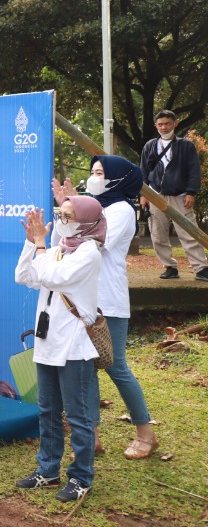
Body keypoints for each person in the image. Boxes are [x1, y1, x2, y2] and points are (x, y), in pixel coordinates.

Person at [59, 156, 158, 460]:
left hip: (109, 299)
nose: (94, 177)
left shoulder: (121, 210)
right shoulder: (96, 207)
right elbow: (72, 238)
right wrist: (68, 210)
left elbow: (93, 241)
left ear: (119, 178)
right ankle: (91, 437)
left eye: (100, 173)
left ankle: (146, 433)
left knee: (116, 367)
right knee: (86, 366)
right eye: (92, 172)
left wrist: (70, 214)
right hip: (83, 297)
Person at [13, 198, 105, 503]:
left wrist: (41, 244)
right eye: (61, 215)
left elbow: (53, 277)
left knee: (78, 415)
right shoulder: (57, 249)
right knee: (48, 410)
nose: (63, 220)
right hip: (47, 340)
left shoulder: (89, 253)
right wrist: (31, 244)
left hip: (74, 344)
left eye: (70, 216)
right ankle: (48, 469)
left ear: (89, 222)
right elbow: (26, 277)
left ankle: (81, 477)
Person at [139, 109, 207, 281]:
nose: (163, 127)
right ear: (156, 125)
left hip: (180, 195)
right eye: (160, 124)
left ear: (175, 123)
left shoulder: (186, 145)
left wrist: (191, 192)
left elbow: (193, 170)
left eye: (167, 124)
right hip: (155, 195)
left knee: (189, 232)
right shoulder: (150, 146)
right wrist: (143, 194)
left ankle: (201, 267)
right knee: (157, 233)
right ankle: (169, 266)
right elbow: (144, 172)